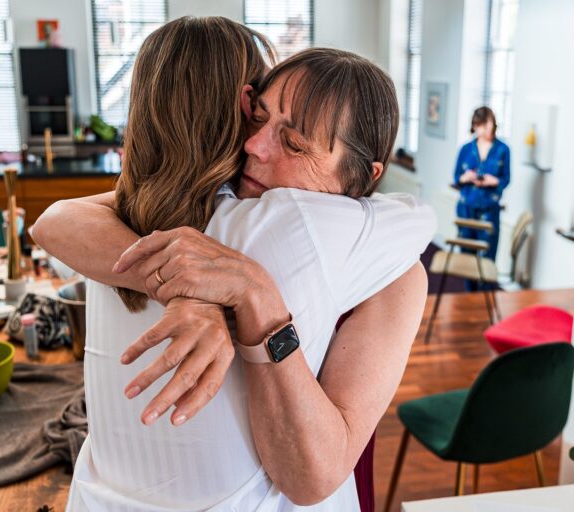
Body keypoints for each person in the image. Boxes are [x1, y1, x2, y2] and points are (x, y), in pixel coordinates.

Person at [32, 18, 435, 511]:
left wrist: (242, 294)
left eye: (294, 143)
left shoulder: (292, 221)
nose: (254, 146)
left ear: (364, 176)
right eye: (256, 117)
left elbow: (57, 218)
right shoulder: (216, 209)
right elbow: (420, 214)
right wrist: (188, 289)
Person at [454, 106, 511, 262]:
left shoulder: (503, 150)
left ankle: (485, 287)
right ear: (474, 126)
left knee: (487, 257)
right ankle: (470, 287)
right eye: (480, 126)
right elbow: (456, 178)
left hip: (489, 209)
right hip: (467, 208)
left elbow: (506, 179)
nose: (484, 130)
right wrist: (465, 178)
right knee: (466, 256)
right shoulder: (465, 149)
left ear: (493, 124)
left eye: (487, 125)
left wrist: (494, 181)